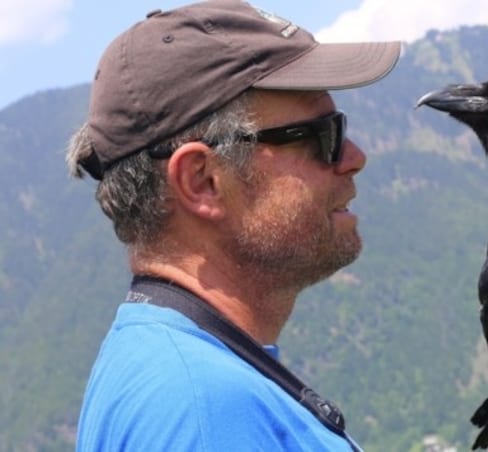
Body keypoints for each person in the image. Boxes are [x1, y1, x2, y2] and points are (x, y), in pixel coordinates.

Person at [65, 1, 401, 450]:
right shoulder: (202, 412)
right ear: (202, 181)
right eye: (322, 136)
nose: (355, 158)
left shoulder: (184, 372)